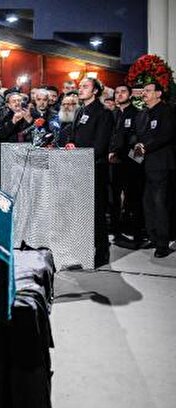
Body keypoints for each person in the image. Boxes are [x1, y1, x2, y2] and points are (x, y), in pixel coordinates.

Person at [72, 77, 115, 266]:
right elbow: (74, 136)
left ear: (95, 91)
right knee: (81, 211)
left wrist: (80, 153)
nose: (80, 89)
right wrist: (70, 146)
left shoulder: (104, 113)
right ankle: (82, 249)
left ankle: (102, 252)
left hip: (95, 168)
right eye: (80, 86)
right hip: (78, 167)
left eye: (85, 86)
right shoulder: (80, 111)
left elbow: (101, 145)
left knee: (96, 212)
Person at [134, 82, 175, 258]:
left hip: (160, 164)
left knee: (159, 204)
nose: (144, 93)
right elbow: (137, 136)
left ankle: (162, 244)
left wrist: (146, 147)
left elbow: (166, 135)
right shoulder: (143, 113)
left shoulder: (166, 111)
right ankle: (153, 236)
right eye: (143, 91)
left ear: (158, 94)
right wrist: (136, 150)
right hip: (144, 165)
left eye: (148, 91)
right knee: (148, 203)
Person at [108, 84, 144, 247]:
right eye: (117, 92)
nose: (119, 94)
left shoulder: (138, 114)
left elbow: (140, 140)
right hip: (113, 163)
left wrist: (137, 163)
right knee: (114, 199)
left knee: (134, 198)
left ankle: (137, 233)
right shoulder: (112, 114)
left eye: (123, 92)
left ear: (130, 95)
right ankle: (116, 231)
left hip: (131, 163)